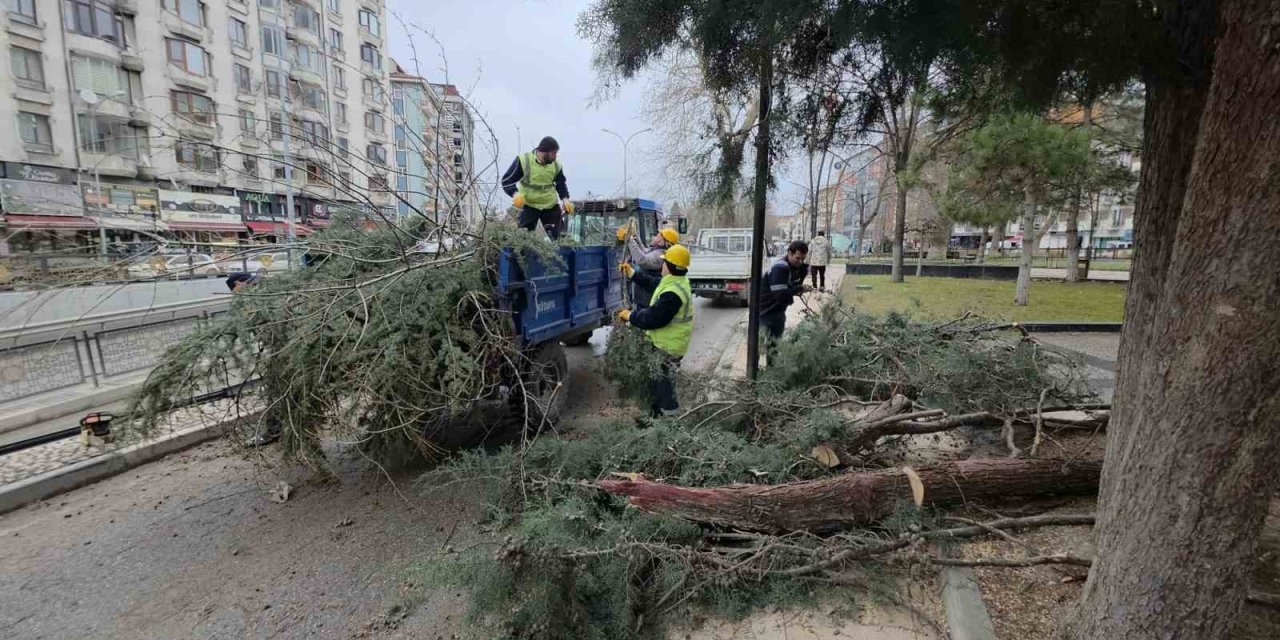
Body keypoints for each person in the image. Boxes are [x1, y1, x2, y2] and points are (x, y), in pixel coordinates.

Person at [617, 244, 694, 418]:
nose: (662, 265)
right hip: (665, 344)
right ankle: (654, 417)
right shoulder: (675, 282)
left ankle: (669, 422)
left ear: (671, 266)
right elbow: (652, 283)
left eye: (665, 262)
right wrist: (632, 273)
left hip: (668, 347)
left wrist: (630, 316)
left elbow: (652, 319)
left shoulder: (673, 294)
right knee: (656, 382)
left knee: (663, 387)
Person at [501, 136, 573, 239]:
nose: (555, 157)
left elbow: (560, 183)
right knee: (523, 238)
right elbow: (507, 181)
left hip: (550, 206)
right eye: (554, 153)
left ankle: (562, 249)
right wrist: (515, 193)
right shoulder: (524, 161)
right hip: (529, 205)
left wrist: (565, 199)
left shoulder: (556, 165)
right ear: (545, 152)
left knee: (561, 238)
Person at [758, 240, 811, 364]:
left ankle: (772, 372)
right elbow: (780, 295)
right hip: (763, 313)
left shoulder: (793, 268)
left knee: (774, 347)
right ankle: (754, 373)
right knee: (758, 347)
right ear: (789, 253)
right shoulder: (780, 267)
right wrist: (800, 288)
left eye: (803, 259)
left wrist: (801, 280)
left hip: (778, 311)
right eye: (798, 258)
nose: (800, 262)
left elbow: (790, 288)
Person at [617, 224, 679, 309]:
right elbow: (645, 251)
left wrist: (630, 240)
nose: (654, 237)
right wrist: (635, 237)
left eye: (658, 236)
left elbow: (642, 260)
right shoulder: (657, 250)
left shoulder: (661, 256)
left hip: (648, 300)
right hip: (645, 297)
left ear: (664, 242)